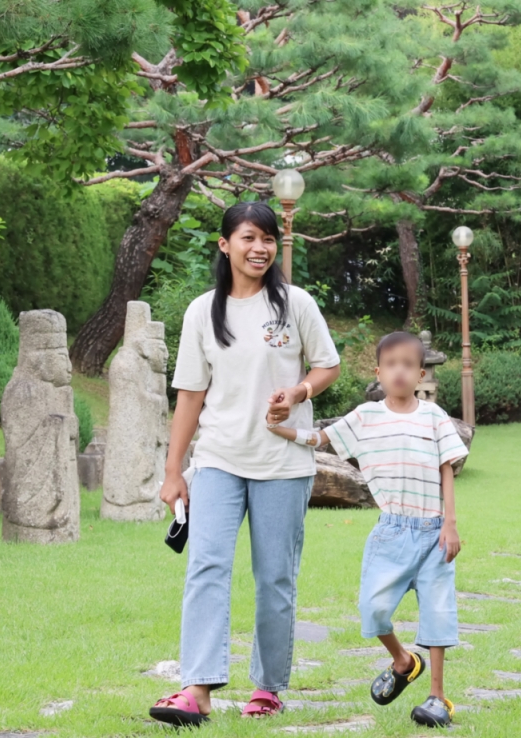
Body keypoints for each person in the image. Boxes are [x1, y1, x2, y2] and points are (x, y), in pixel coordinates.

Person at [149, 201, 341, 727]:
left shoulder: (295, 303)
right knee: (206, 565)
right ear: (225, 244)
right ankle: (198, 688)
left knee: (275, 577)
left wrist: (298, 391)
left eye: (268, 239)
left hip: (282, 462)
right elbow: (189, 396)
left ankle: (268, 686)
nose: (260, 248)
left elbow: (328, 364)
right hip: (217, 459)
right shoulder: (201, 312)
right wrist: (173, 472)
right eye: (249, 238)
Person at [267, 331, 467, 728]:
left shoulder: (434, 417)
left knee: (437, 615)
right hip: (390, 533)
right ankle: (403, 661)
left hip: (432, 532)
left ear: (420, 373)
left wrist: (450, 523)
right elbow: (321, 438)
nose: (399, 372)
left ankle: (438, 698)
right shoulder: (365, 417)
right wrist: (281, 430)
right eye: (391, 365)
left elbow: (447, 468)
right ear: (378, 372)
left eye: (408, 365)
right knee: (372, 610)